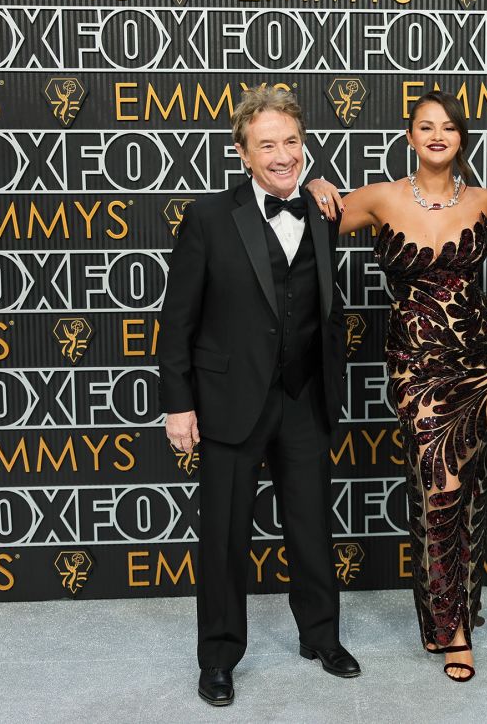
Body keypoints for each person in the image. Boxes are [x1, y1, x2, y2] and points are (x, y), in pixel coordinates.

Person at [306, 91, 487, 683]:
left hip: (478, 364)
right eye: (426, 126)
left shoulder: (486, 201)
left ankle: (447, 614)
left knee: (469, 492)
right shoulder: (380, 198)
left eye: (448, 127)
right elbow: (299, 225)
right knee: (438, 487)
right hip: (415, 365)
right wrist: (316, 183)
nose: (436, 135)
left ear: (461, 139)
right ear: (409, 136)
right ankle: (454, 631)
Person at [158, 86, 360, 707]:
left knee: (311, 527)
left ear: (306, 146)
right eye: (267, 144)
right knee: (222, 538)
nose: (282, 154)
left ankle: (320, 636)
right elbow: (177, 321)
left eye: (292, 142)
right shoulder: (209, 217)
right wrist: (179, 403)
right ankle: (218, 658)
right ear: (243, 153)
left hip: (303, 395)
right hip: (227, 401)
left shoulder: (326, 209)